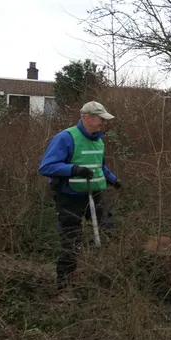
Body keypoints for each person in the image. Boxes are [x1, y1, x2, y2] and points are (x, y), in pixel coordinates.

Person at [38, 101, 121, 300]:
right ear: (86, 117)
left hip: (94, 194)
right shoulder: (65, 138)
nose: (102, 122)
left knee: (108, 229)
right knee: (71, 240)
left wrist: (113, 179)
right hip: (69, 197)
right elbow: (46, 167)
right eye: (99, 118)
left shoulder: (98, 139)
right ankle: (64, 288)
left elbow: (98, 165)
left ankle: (109, 275)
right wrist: (73, 169)